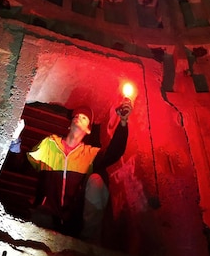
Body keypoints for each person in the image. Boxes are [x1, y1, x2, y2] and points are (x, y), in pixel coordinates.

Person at [11, 101, 132, 241]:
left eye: (84, 117)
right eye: (76, 115)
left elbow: (114, 153)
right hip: (44, 215)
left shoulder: (89, 154)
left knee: (97, 181)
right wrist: (15, 140)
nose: (79, 116)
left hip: (73, 222)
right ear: (69, 124)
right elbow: (20, 165)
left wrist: (123, 122)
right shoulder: (49, 144)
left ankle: (89, 240)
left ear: (88, 130)